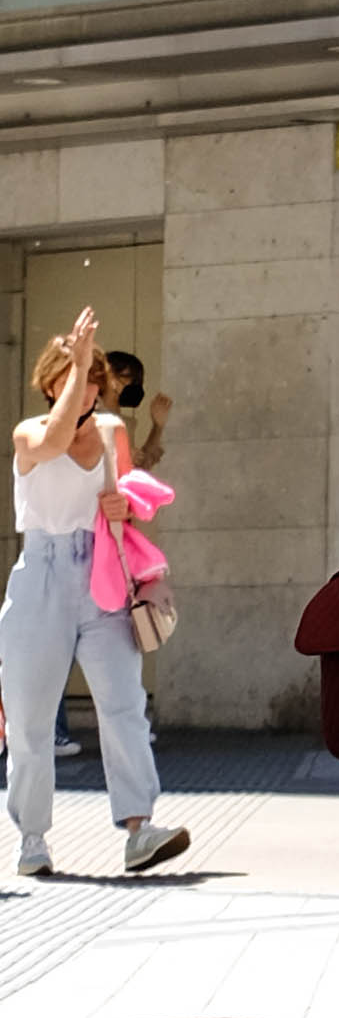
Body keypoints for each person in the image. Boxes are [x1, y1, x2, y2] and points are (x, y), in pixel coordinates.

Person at [6, 310, 190, 882]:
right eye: (72, 376)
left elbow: (127, 498)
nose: (85, 387)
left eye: (91, 378)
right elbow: (56, 440)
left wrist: (125, 506)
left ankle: (139, 829)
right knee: (31, 717)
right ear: (49, 382)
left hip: (102, 576)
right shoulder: (30, 432)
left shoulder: (112, 431)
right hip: (41, 574)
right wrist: (81, 356)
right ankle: (33, 838)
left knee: (123, 704)